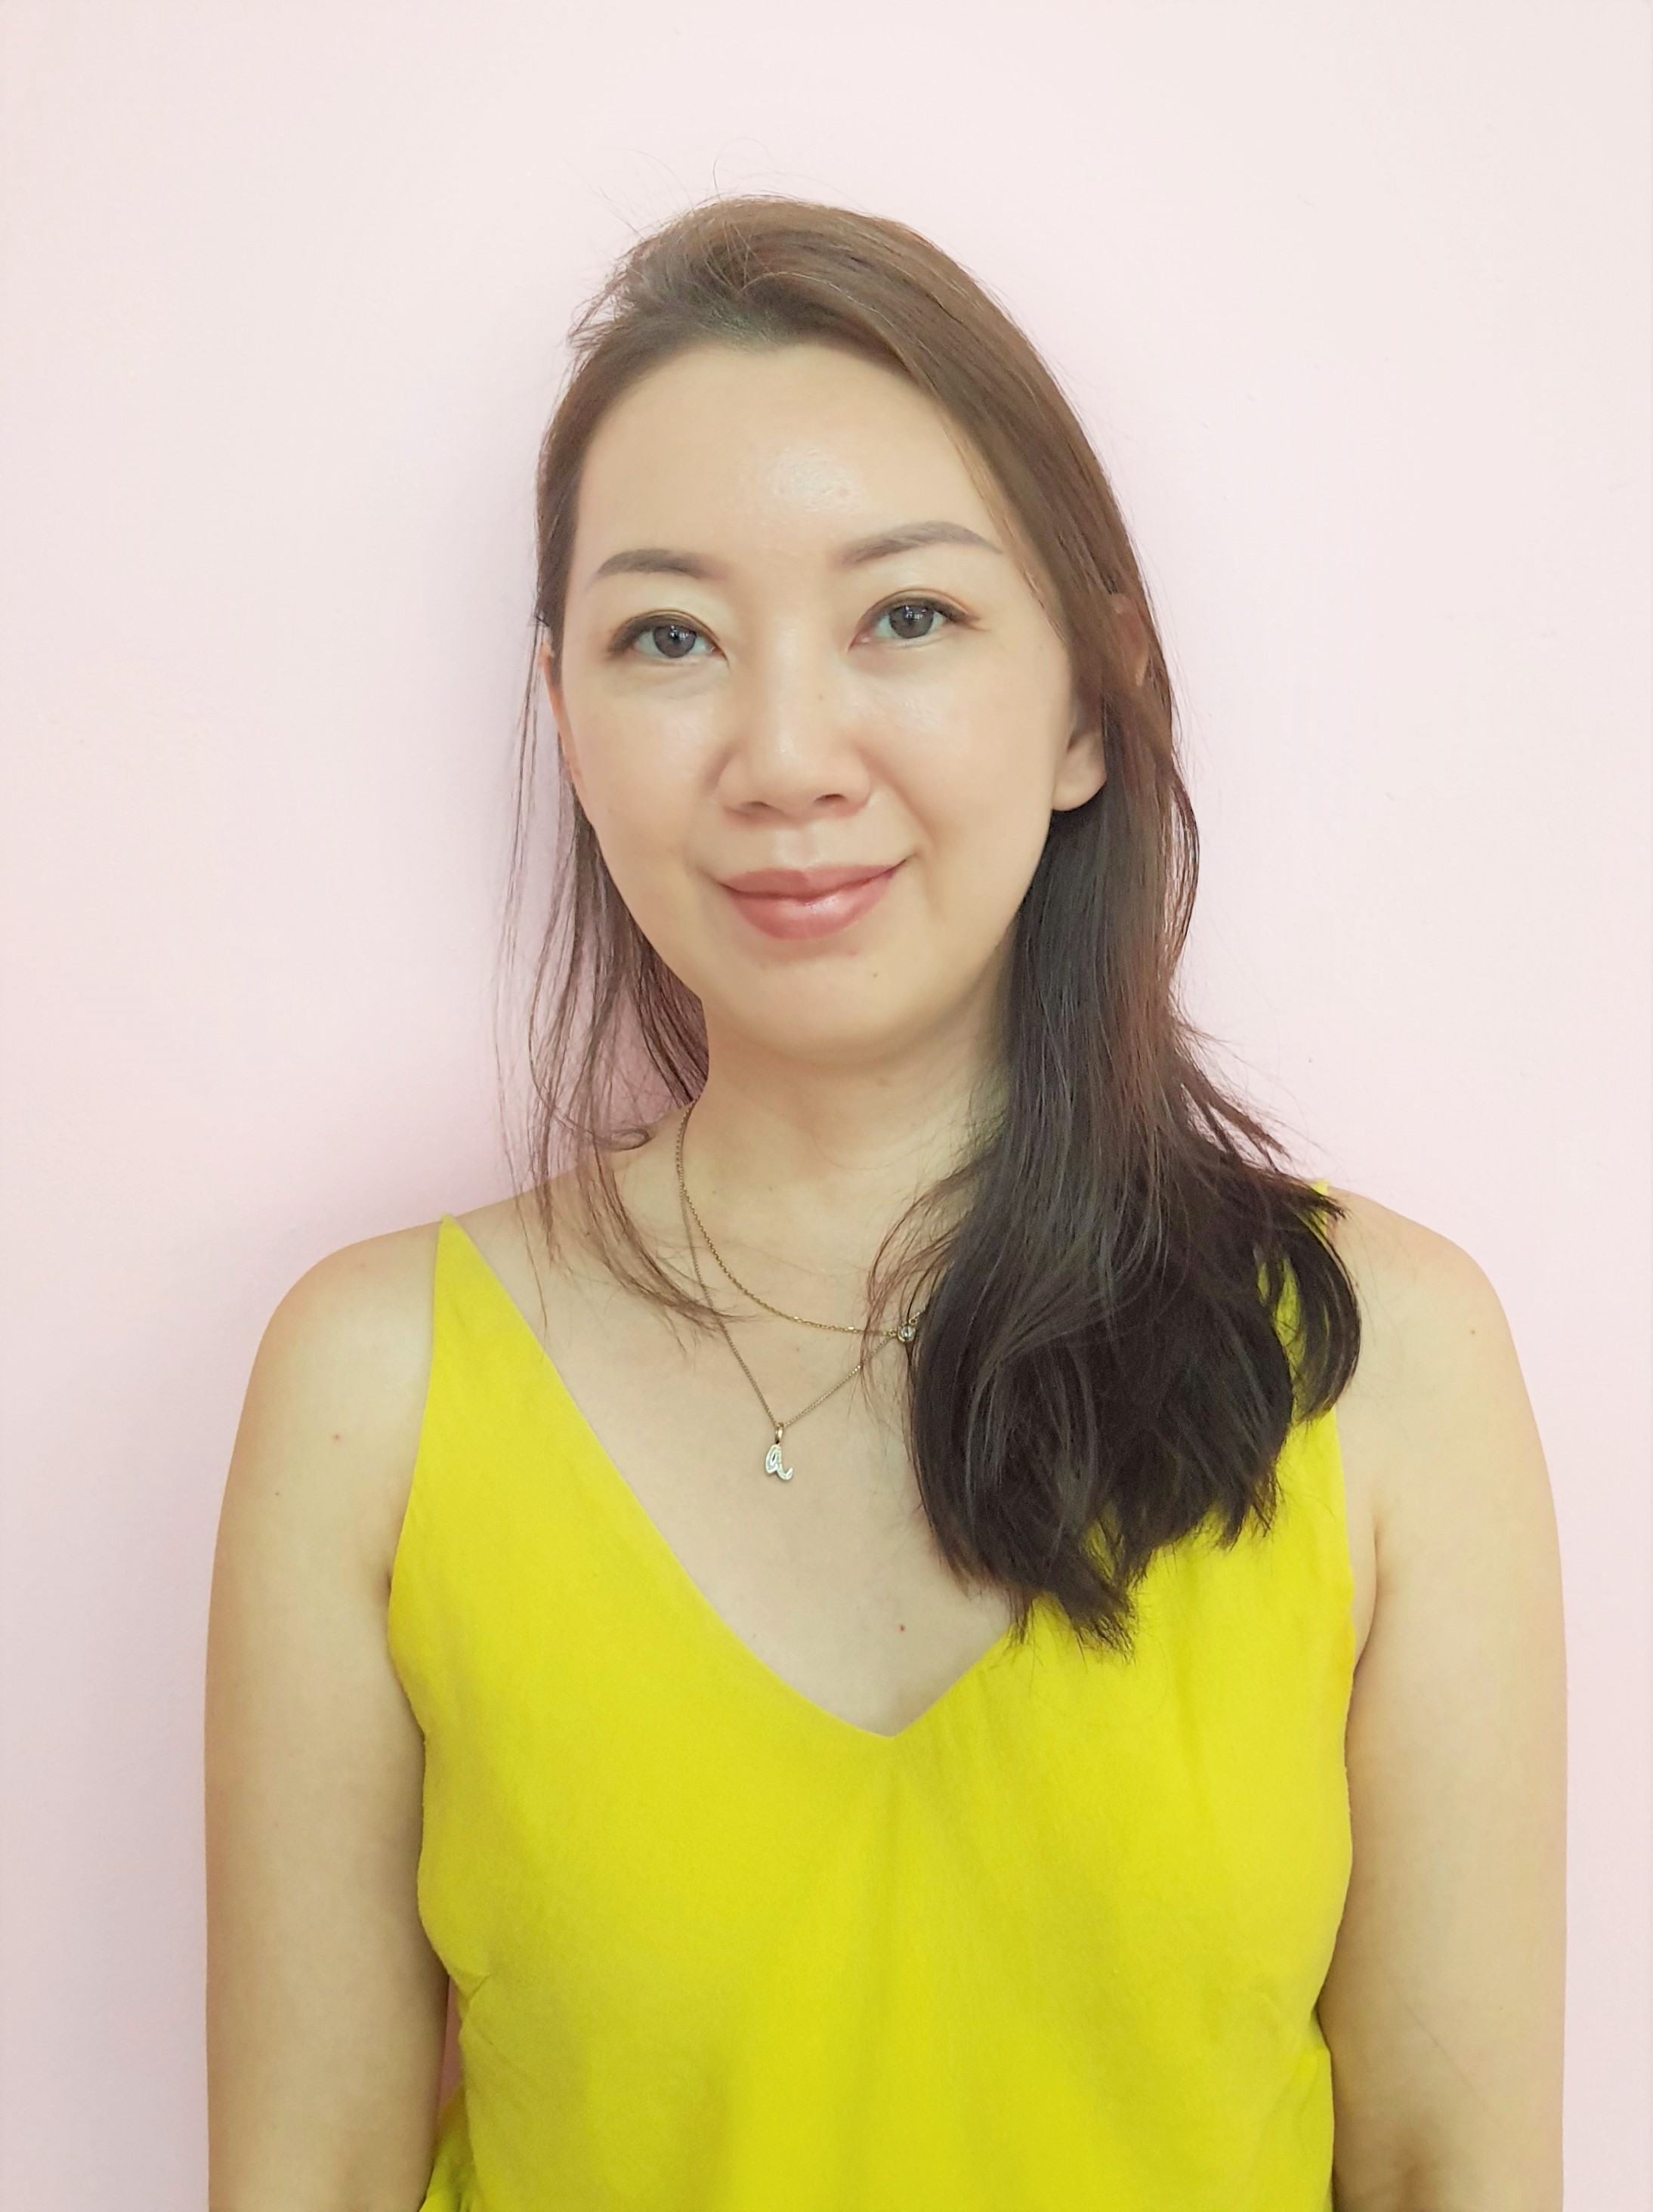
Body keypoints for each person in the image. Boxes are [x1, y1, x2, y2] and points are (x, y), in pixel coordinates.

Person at [204, 197, 1566, 2212]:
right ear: (564, 720)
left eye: (906, 618)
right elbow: (304, 2174)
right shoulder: (374, 1383)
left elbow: (1454, 2168)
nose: (783, 757)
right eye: (669, 638)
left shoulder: (1382, 1363)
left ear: (1093, 700)